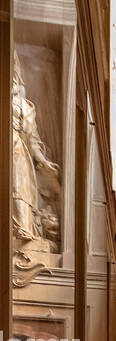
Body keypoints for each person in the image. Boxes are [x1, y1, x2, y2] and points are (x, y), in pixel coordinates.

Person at [12, 52, 59, 245]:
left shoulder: (24, 105)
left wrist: (43, 160)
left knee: (18, 186)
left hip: (16, 149)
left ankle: (20, 227)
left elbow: (32, 140)